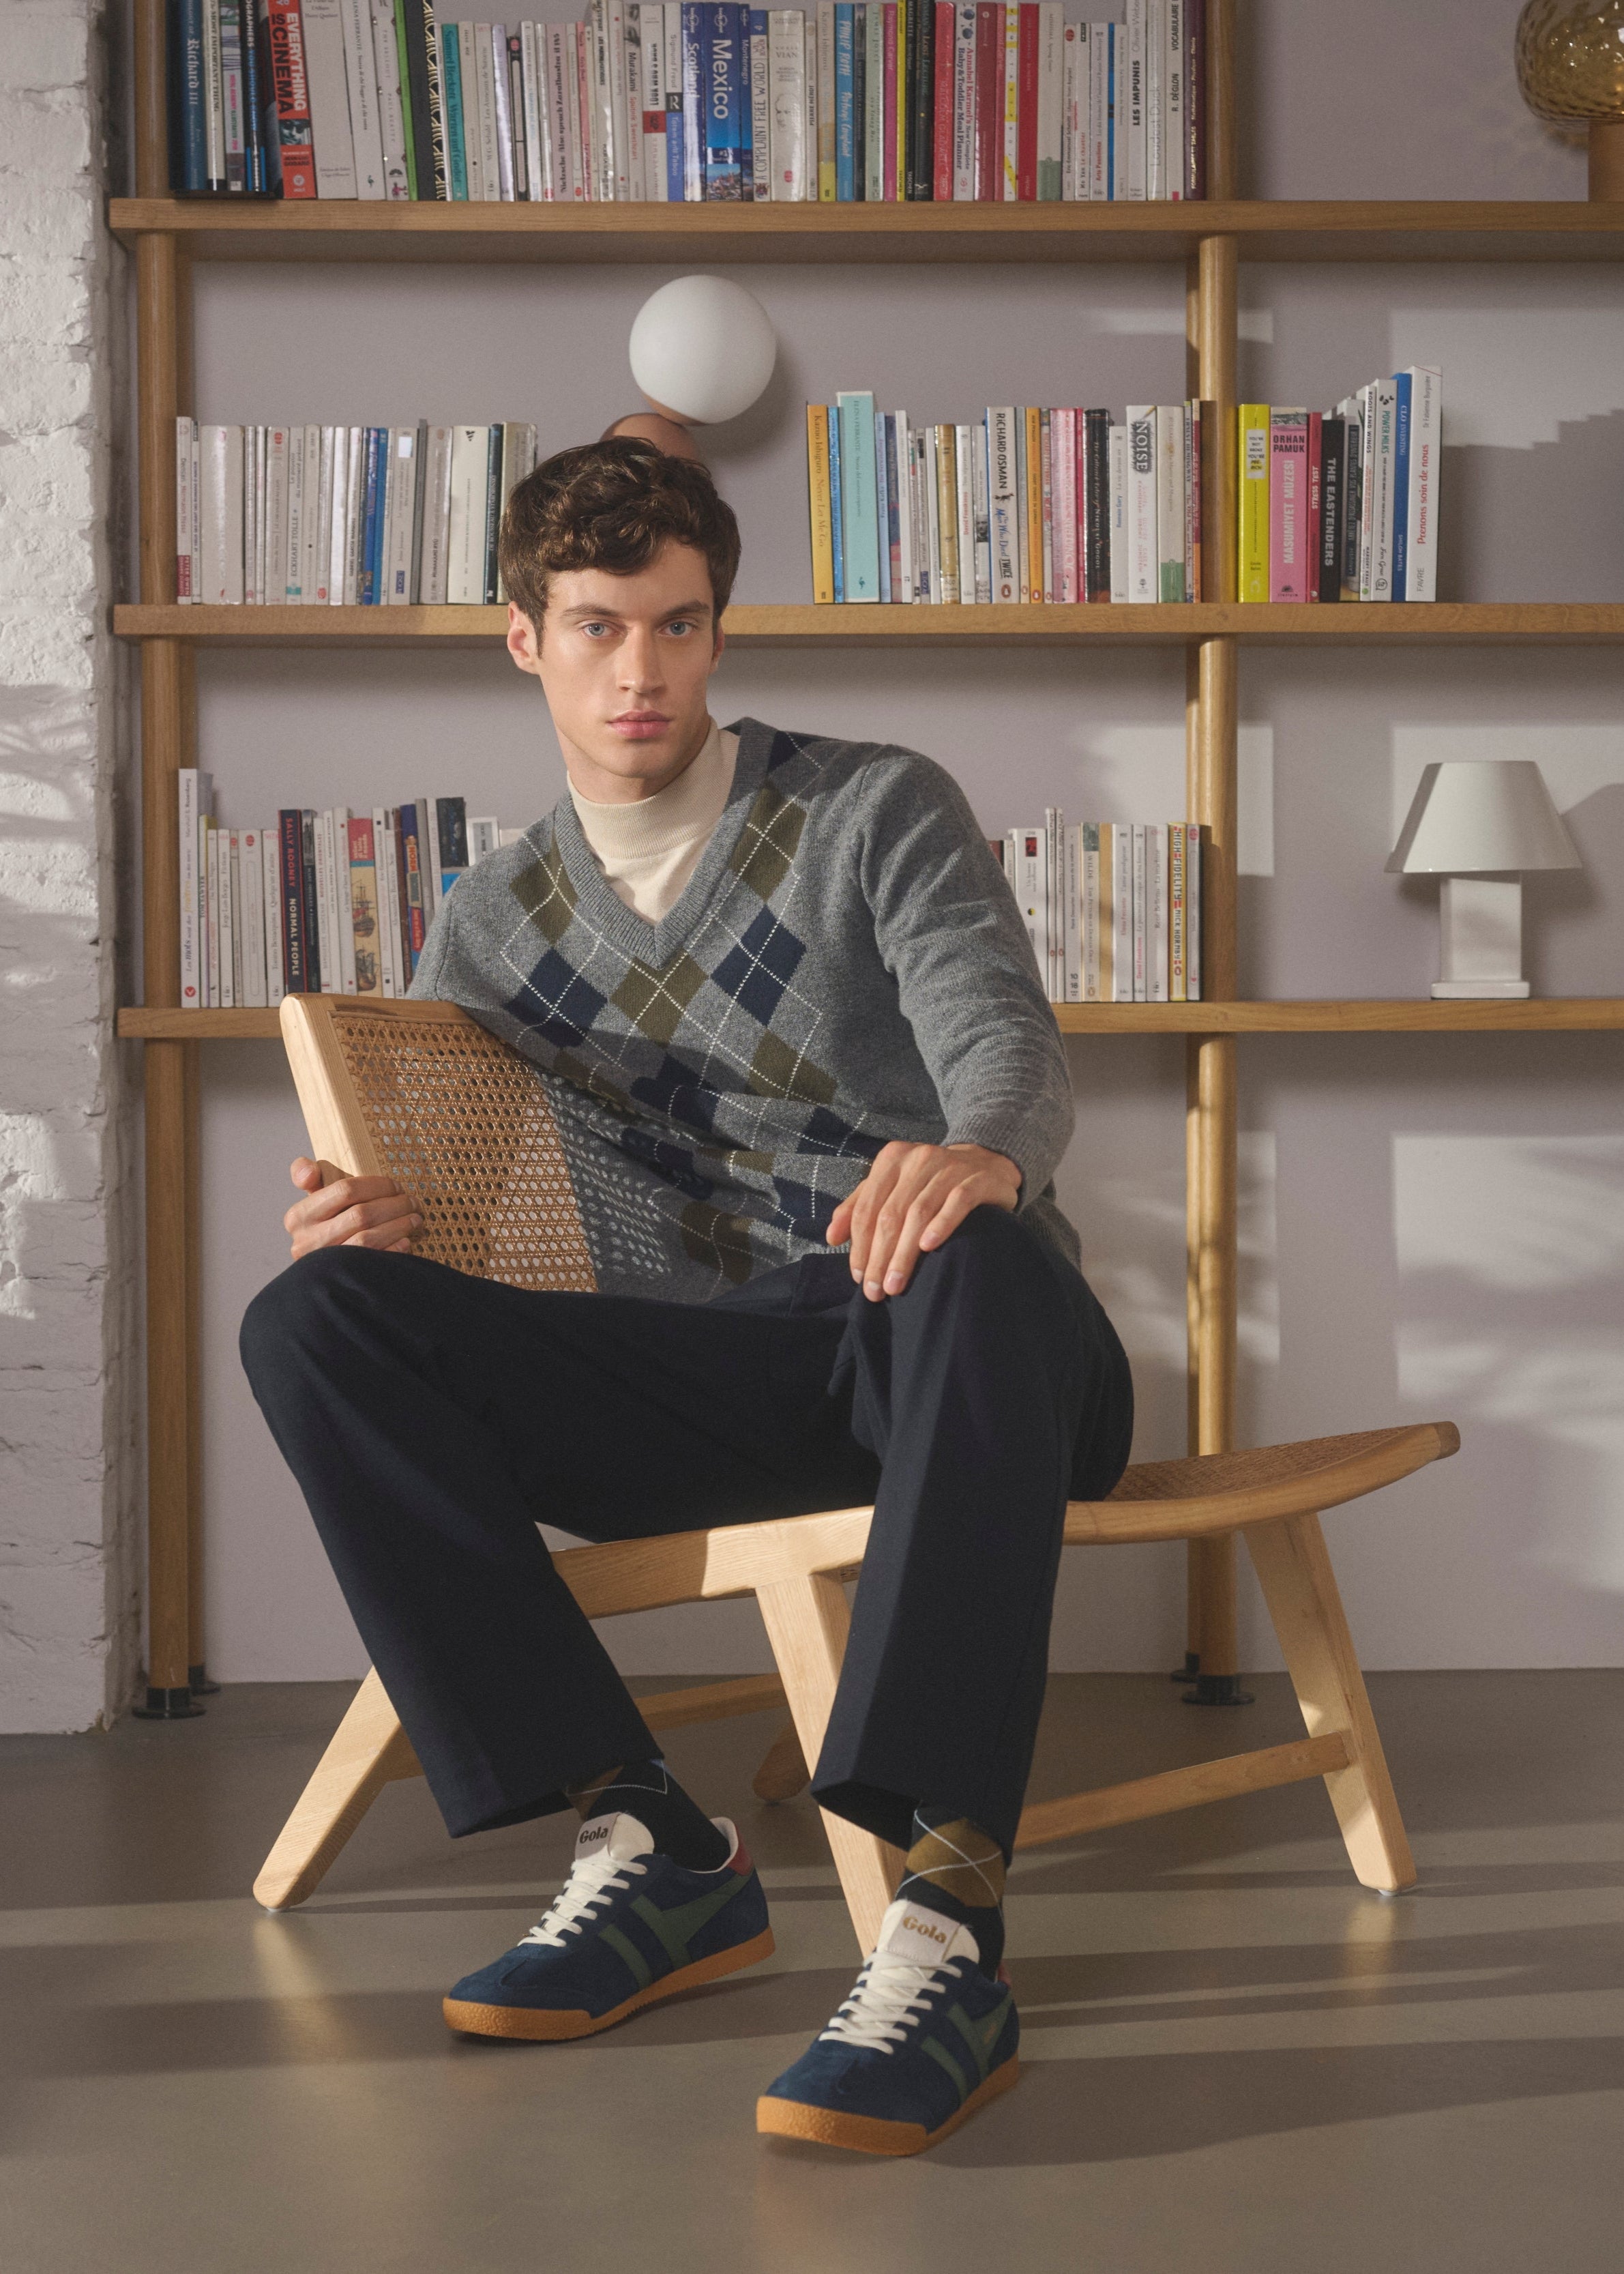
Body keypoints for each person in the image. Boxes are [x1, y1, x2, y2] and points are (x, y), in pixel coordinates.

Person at [241, 437, 1133, 2159]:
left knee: (964, 1245)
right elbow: (488, 1218)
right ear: (526, 639)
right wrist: (384, 1223)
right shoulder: (494, 919)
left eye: (678, 624)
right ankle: (644, 1837)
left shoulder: (872, 805)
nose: (640, 670)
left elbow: (1003, 1037)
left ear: (719, 628)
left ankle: (943, 1919)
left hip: (961, 1349)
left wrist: (978, 1157)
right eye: (595, 628)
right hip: (710, 1385)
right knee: (312, 1316)